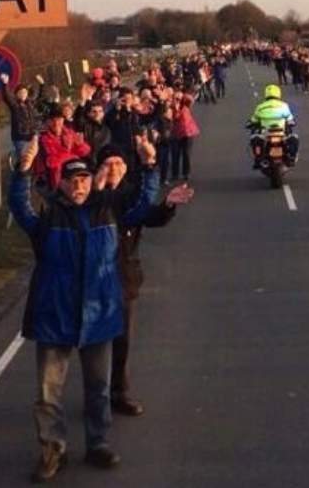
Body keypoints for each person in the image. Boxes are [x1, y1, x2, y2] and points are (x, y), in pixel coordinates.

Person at [9, 137, 160, 482]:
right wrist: (22, 171)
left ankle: (98, 442)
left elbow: (142, 205)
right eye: (72, 180)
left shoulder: (108, 210)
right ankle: (53, 450)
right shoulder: (48, 215)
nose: (79, 186)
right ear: (61, 184)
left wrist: (149, 165)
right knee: (48, 394)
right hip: (55, 316)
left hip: (99, 314)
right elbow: (20, 207)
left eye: (84, 180)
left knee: (99, 388)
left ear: (92, 181)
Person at [94, 146, 193, 416]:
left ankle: (118, 393)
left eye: (118, 163)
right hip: (92, 281)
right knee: (94, 345)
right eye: (107, 164)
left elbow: (147, 214)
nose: (113, 169)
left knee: (122, 341)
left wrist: (168, 204)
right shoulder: (87, 196)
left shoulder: (130, 195)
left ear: (126, 168)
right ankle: (96, 395)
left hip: (124, 278)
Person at [36, 105, 91, 190]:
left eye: (59, 119)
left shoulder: (69, 132)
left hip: (74, 172)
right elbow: (51, 161)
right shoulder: (43, 138)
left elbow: (84, 152)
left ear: (63, 120)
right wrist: (72, 156)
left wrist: (80, 145)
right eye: (52, 120)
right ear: (47, 122)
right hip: (56, 178)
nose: (56, 123)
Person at [247, 84, 299, 166]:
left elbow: (254, 120)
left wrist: (251, 124)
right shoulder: (284, 105)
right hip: (281, 132)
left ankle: (258, 158)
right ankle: (292, 156)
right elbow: (290, 119)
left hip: (266, 133)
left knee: (254, 138)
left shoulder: (260, 107)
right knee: (294, 138)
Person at [0, 73, 39, 159]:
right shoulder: (15, 105)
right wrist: (5, 84)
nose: (23, 94)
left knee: (35, 159)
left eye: (24, 92)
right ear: (17, 94)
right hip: (20, 138)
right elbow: (6, 96)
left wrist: (37, 85)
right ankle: (18, 166)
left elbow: (36, 95)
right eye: (20, 93)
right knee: (24, 159)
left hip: (31, 136)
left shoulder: (29, 104)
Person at [170, 92, 200, 181]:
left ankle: (186, 173)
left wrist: (183, 96)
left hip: (187, 133)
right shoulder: (171, 108)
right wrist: (175, 107)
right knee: (175, 154)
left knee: (186, 153)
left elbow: (191, 100)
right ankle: (175, 174)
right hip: (176, 133)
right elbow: (174, 117)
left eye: (179, 99)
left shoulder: (185, 105)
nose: (177, 100)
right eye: (176, 99)